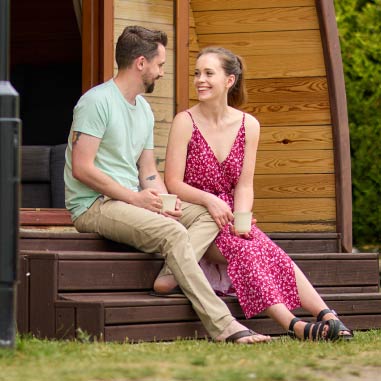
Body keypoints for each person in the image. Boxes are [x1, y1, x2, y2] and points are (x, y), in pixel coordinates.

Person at [64, 26, 271, 344]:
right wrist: (136, 199)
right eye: (160, 65)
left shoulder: (144, 110)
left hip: (130, 199)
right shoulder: (96, 102)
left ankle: (171, 272)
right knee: (174, 232)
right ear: (141, 63)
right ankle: (224, 326)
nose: (162, 73)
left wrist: (168, 202)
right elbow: (82, 168)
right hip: (94, 205)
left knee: (207, 213)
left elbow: (148, 171)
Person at [153, 46, 354, 341]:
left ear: (229, 80)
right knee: (246, 248)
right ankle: (295, 326)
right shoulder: (185, 121)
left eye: (209, 73)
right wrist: (211, 200)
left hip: (231, 216)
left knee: (261, 245)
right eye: (197, 73)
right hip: (197, 217)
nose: (200, 80)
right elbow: (173, 182)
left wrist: (243, 219)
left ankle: (326, 314)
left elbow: (244, 185)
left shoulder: (249, 125)